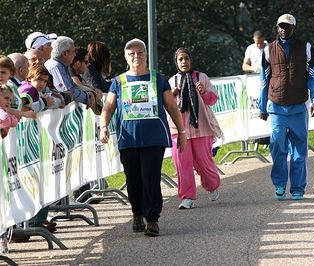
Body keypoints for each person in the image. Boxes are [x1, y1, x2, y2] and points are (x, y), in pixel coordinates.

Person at [99, 38, 186, 237]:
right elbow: (109, 107)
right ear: (125, 57)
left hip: (153, 137)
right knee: (133, 179)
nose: (136, 56)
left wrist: (181, 133)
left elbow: (171, 106)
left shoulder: (158, 78)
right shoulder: (118, 81)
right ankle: (137, 213)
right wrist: (103, 126)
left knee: (151, 178)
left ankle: (152, 219)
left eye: (140, 52)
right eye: (131, 54)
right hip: (128, 138)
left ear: (146, 55)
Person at [258, 14, 314, 200]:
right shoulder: (268, 49)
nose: (283, 30)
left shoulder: (306, 48)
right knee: (277, 146)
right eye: (280, 26)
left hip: (298, 107)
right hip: (277, 108)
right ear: (277, 28)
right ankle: (279, 185)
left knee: (299, 151)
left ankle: (297, 188)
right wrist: (262, 107)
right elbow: (264, 80)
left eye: (287, 27)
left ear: (294, 28)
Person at [168, 47, 223, 210]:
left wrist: (204, 92)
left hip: (201, 128)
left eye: (186, 58)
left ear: (191, 60)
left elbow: (213, 99)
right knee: (182, 164)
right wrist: (172, 94)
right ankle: (187, 197)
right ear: (176, 62)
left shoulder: (201, 77)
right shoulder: (171, 81)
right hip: (179, 130)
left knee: (204, 163)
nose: (184, 62)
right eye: (180, 59)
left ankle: (212, 185)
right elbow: (165, 104)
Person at [45, 36, 94, 108]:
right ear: (64, 54)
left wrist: (88, 94)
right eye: (73, 52)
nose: (75, 54)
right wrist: (87, 97)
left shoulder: (62, 65)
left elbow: (73, 86)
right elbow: (67, 90)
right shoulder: (56, 66)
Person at [0, 55, 36, 120]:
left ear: (11, 74)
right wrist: (23, 113)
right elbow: (2, 109)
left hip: (13, 128)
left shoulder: (12, 87)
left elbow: (14, 107)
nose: (0, 75)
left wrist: (18, 114)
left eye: (3, 72)